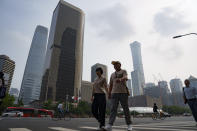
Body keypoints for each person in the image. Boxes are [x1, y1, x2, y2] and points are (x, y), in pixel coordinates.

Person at [105, 61, 132, 131]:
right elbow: (110, 85)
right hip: (114, 93)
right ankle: (110, 125)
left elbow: (126, 77)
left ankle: (129, 125)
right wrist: (109, 93)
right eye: (114, 65)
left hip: (123, 93)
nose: (115, 66)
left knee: (126, 109)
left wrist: (120, 79)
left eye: (116, 64)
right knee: (113, 109)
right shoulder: (112, 75)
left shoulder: (123, 71)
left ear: (120, 65)